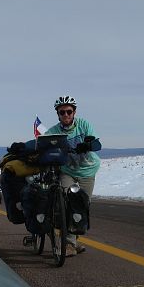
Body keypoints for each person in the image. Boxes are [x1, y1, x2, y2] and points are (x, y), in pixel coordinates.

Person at [44, 95, 101, 256]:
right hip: (67, 171)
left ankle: (73, 241)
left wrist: (88, 144)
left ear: (74, 112)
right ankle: (69, 244)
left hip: (88, 170)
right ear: (58, 114)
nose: (66, 115)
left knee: (82, 205)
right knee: (67, 202)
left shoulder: (84, 125)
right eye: (62, 112)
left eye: (69, 111)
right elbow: (42, 143)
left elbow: (97, 144)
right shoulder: (54, 131)